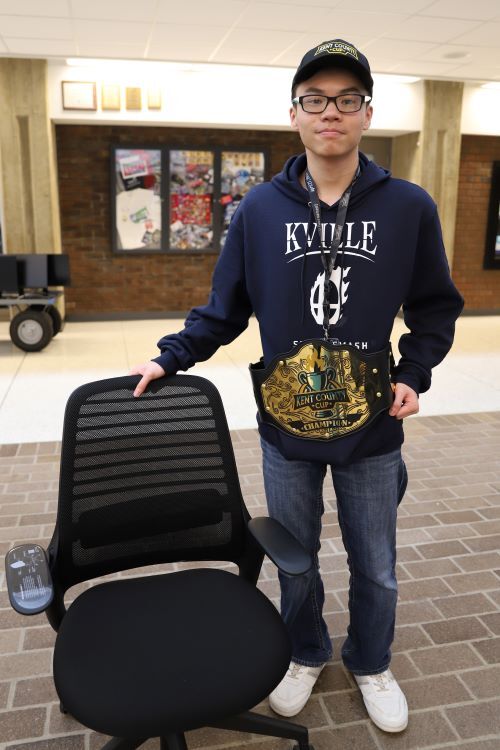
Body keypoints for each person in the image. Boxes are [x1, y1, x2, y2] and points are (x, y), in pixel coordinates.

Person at [130, 38, 464, 733]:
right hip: (287, 426)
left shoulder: (407, 207)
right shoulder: (258, 211)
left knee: (377, 568)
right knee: (296, 558)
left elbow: (435, 306)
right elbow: (223, 309)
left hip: (372, 427)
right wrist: (172, 357)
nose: (330, 113)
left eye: (347, 99)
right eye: (315, 100)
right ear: (294, 114)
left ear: (367, 113)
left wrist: (414, 371)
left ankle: (371, 662)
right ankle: (305, 651)